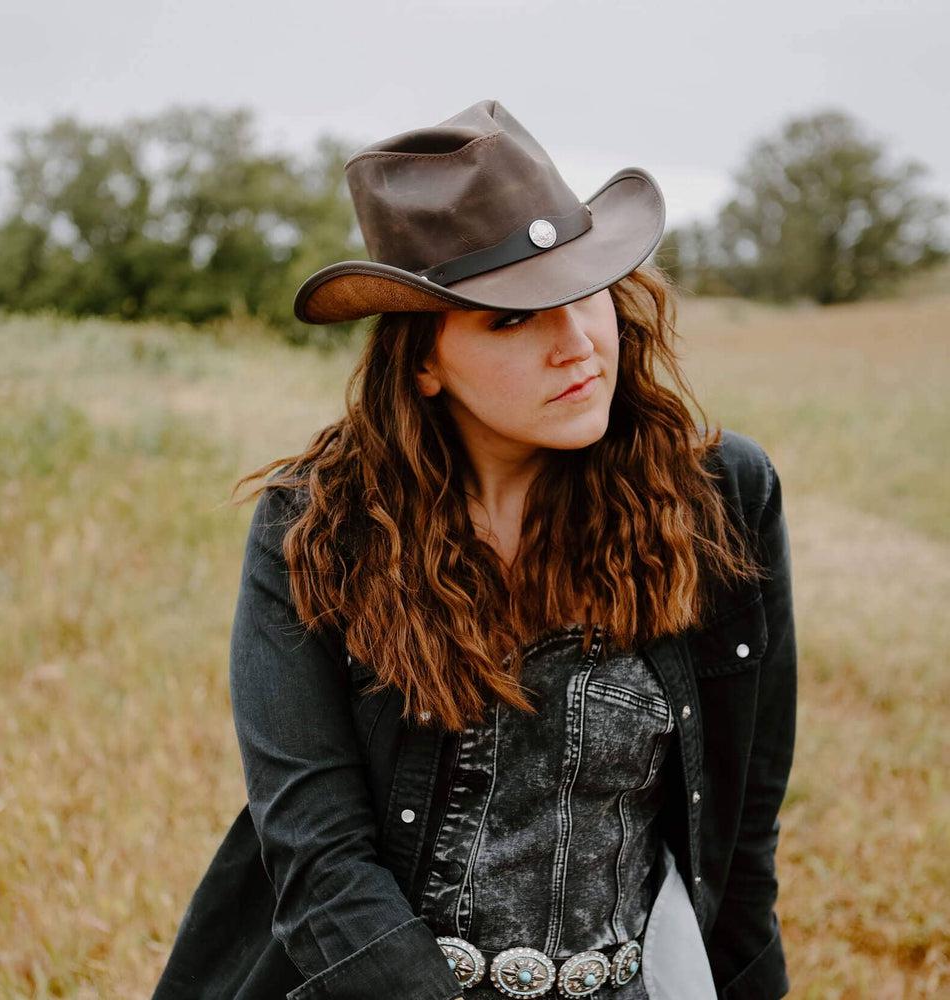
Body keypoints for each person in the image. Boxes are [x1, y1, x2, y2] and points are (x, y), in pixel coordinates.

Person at [151, 99, 797, 1000]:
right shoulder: (317, 527)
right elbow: (316, 856)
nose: (577, 346)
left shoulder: (720, 497)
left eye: (585, 294)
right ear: (424, 361)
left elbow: (742, 833)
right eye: (512, 319)